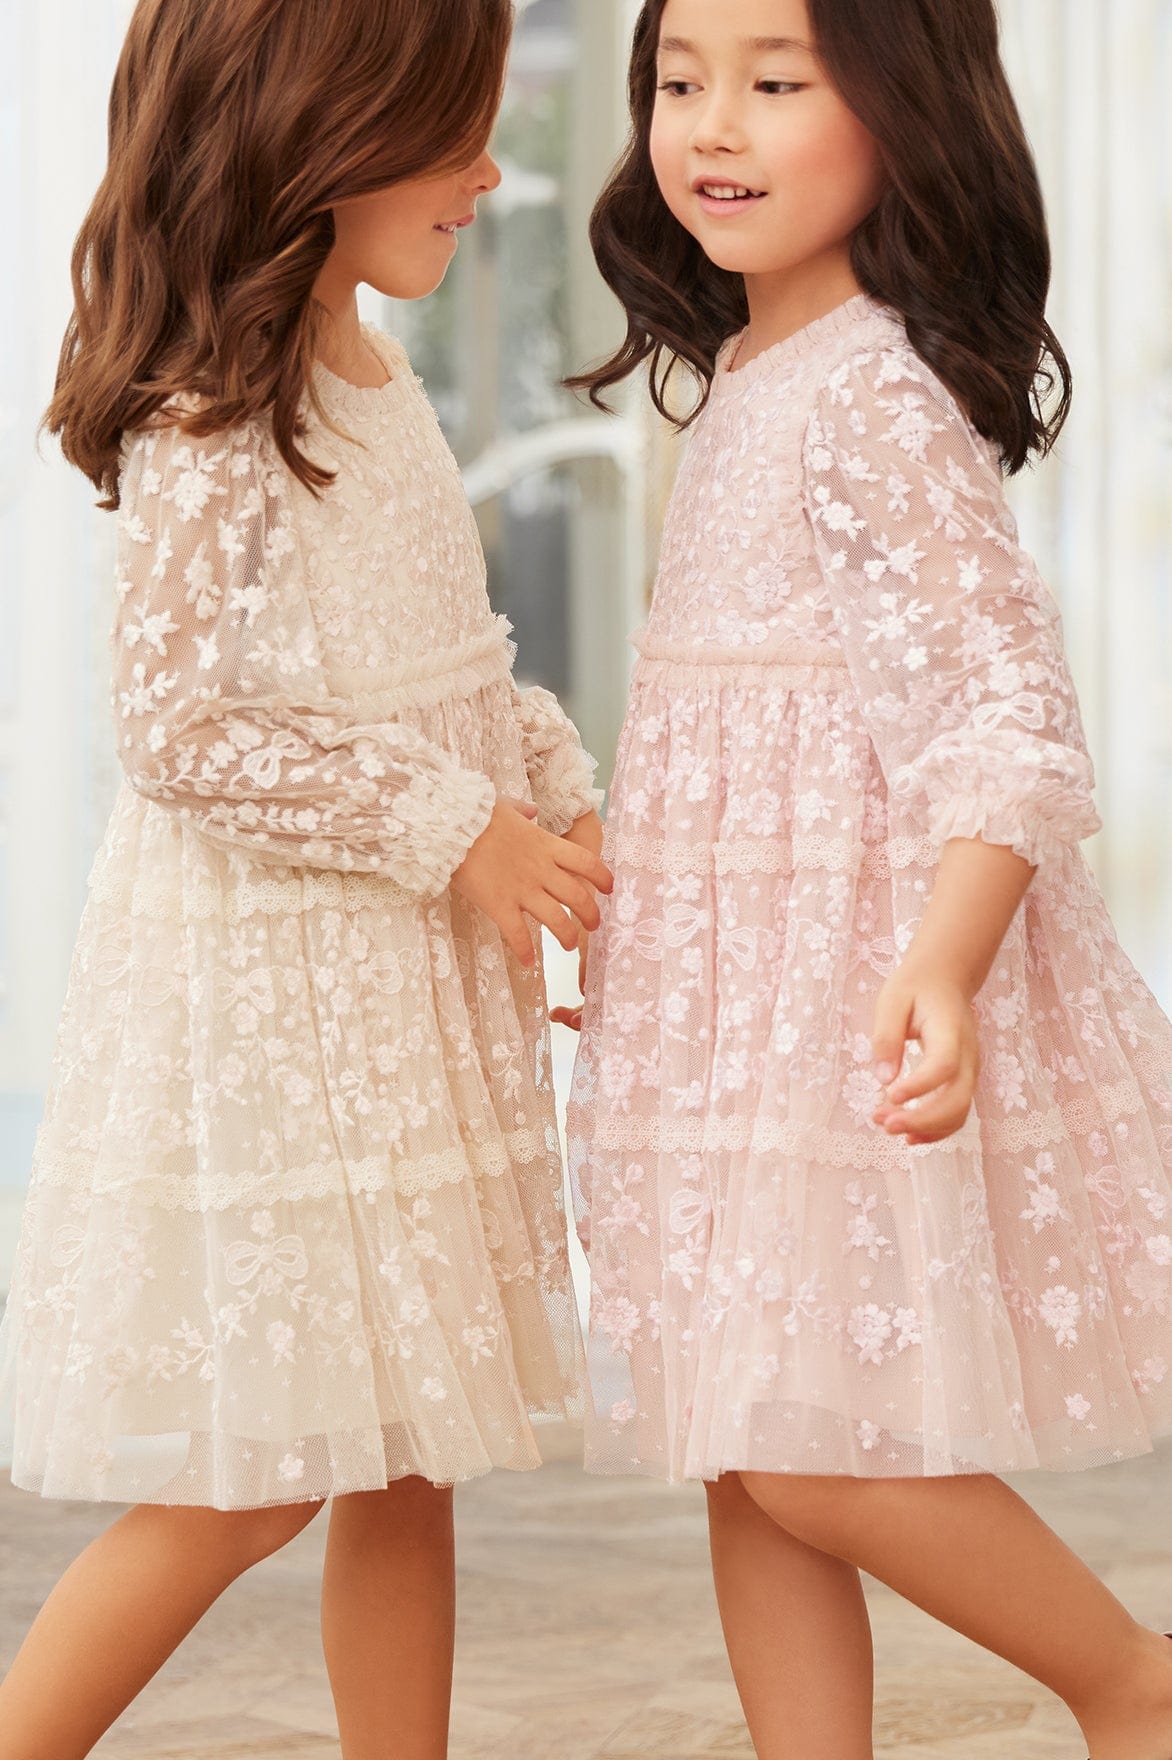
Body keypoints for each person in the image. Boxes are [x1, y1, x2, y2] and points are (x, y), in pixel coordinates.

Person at [560, 1, 1172, 1755]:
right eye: (680, 82)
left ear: (903, 110)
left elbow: (1005, 713)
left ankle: (1133, 1684)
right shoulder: (753, 380)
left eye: (775, 80)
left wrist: (948, 966)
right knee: (746, 1445)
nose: (712, 124)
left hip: (835, 999)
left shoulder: (873, 397)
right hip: (731, 1007)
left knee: (809, 1448)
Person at [0, 2, 610, 1755]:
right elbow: (182, 728)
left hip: (391, 992)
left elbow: (447, 664)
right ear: (320, 125)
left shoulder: (367, 364)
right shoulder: (218, 408)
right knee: (254, 1482)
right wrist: (459, 831)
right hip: (292, 993)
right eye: (452, 127)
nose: (490, 169)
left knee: (410, 1453)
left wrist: (556, 801)